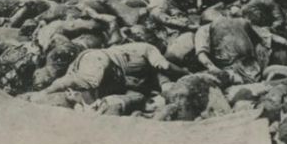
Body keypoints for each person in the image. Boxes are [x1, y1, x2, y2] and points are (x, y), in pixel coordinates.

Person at [34, 42, 189, 100]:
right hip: (107, 62)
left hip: (104, 61)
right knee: (85, 81)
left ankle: (46, 93)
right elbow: (166, 67)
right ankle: (45, 92)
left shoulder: (146, 58)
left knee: (79, 85)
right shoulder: (149, 49)